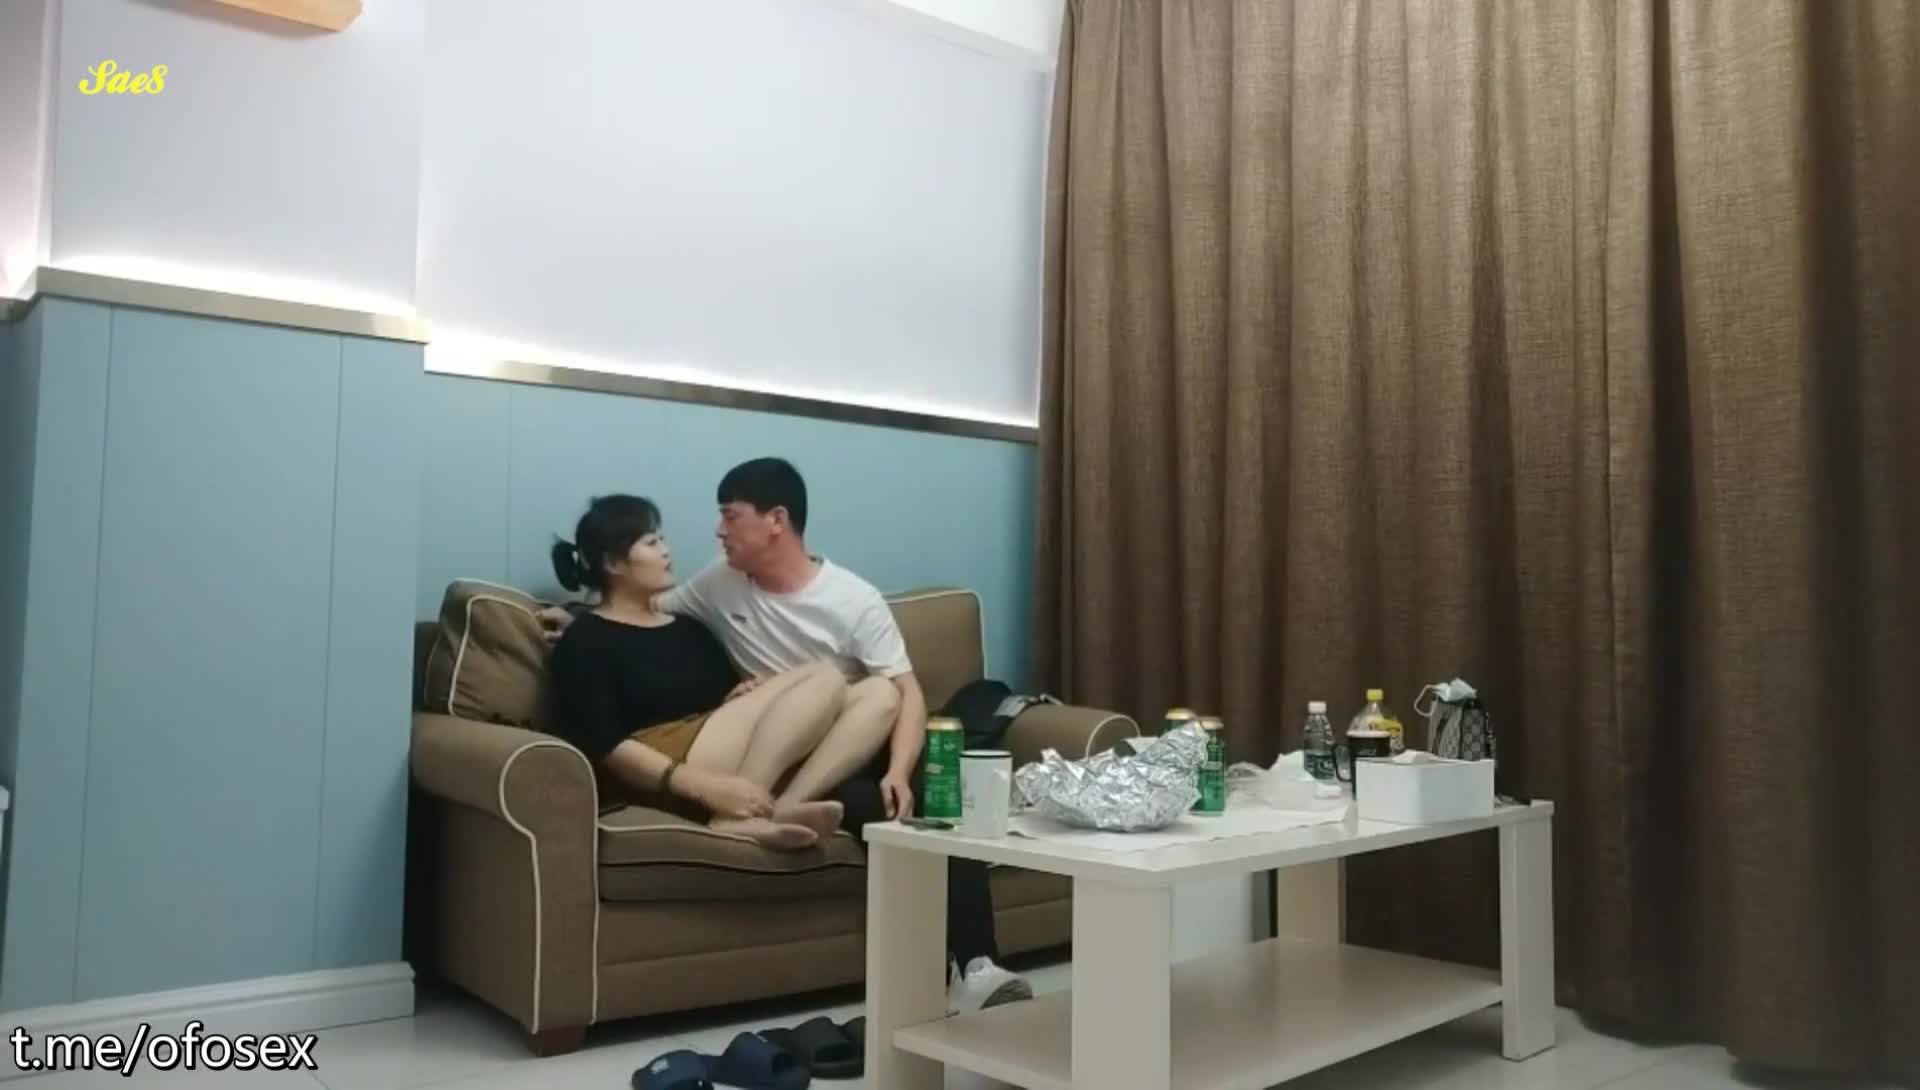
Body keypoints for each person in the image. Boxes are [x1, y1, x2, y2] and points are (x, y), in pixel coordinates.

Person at [540, 459, 1033, 1013]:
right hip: (727, 760)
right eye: (653, 541)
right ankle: (751, 812)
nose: (715, 532)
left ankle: (974, 968)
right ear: (615, 561)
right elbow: (617, 652)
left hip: (826, 754)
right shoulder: (712, 588)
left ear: (776, 520)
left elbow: (906, 691)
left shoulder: (843, 600)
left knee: (902, 759)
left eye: (730, 516)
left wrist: (895, 769)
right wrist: (576, 614)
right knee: (830, 683)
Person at [543, 493, 880, 853]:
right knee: (826, 676)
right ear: (613, 563)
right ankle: (738, 815)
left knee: (876, 692)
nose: (666, 551)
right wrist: (700, 785)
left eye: (663, 540)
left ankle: (779, 806)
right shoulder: (586, 637)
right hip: (661, 761)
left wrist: (746, 692)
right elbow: (605, 744)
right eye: (652, 543)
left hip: (715, 742)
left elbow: (723, 701)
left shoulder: (689, 628)